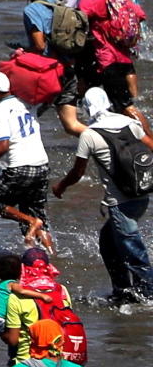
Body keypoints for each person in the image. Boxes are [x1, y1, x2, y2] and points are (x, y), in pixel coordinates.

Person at [56, 86, 153, 305]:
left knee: (134, 252)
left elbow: (77, 172)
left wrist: (60, 186)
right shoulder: (130, 124)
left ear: (87, 109)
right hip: (141, 194)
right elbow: (151, 146)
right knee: (108, 242)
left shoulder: (89, 135)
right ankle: (123, 291)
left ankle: (148, 297)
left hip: (119, 202)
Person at [0, 67, 53, 243]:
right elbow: (48, 100)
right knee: (36, 214)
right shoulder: (27, 102)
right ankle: (49, 256)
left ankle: (31, 221)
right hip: (42, 167)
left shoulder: (0, 111)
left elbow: (3, 146)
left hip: (21, 167)